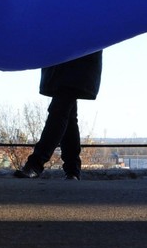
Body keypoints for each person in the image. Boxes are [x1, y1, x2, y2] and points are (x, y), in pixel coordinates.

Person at [13, 50, 103, 180]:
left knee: (60, 109)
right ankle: (72, 170)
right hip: (74, 56)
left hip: (73, 57)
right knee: (68, 114)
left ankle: (36, 164)